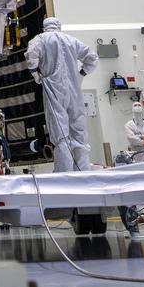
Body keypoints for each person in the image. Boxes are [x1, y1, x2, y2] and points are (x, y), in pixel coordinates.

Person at [25, 17, 98, 172]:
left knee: (61, 135)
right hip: (74, 90)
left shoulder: (40, 39)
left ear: (44, 27)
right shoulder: (72, 40)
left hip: (54, 89)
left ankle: (64, 173)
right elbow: (92, 58)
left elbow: (31, 56)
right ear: (59, 26)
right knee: (79, 131)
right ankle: (83, 171)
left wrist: (35, 74)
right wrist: (81, 74)